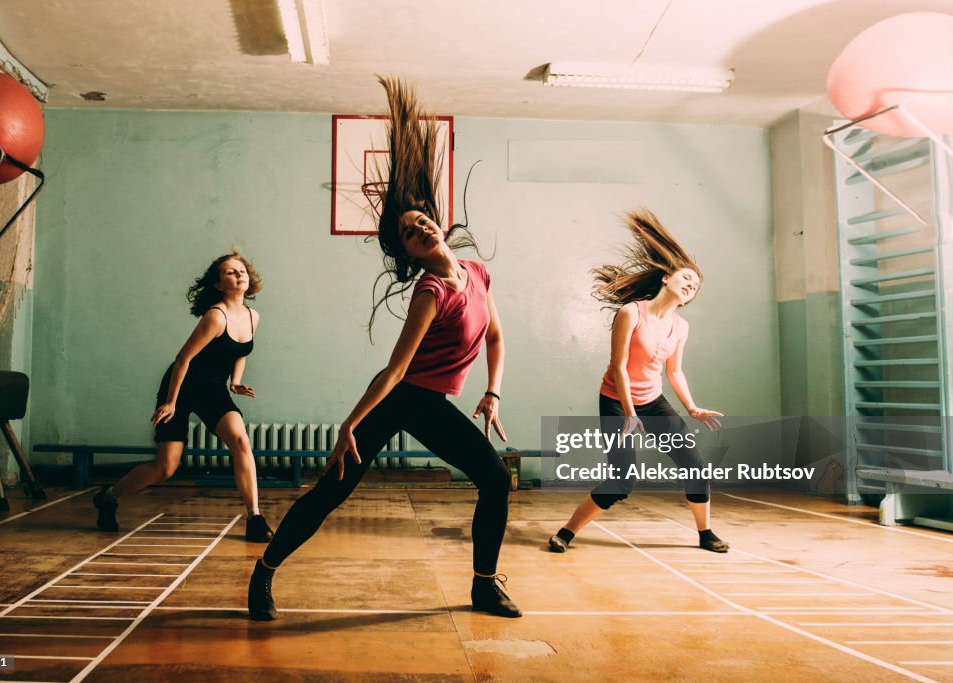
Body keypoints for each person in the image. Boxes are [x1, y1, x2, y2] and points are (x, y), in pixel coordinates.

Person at [247, 77, 520, 621]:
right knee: (332, 493)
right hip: (405, 398)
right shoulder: (430, 291)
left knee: (493, 478)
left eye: (422, 220)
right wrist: (350, 424)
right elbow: (395, 372)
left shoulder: (476, 273)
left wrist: (492, 391)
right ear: (409, 253)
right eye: (410, 232)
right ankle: (265, 572)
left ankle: (484, 586)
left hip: (432, 401)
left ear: (437, 224)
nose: (420, 227)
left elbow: (494, 334)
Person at [548, 209, 729, 554]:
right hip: (617, 400)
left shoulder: (680, 327)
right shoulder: (632, 312)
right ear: (666, 278)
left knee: (695, 466)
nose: (691, 286)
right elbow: (619, 367)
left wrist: (691, 407)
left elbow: (674, 371)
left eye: (695, 287)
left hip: (653, 400)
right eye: (686, 278)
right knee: (621, 480)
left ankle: (706, 533)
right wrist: (630, 414)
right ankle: (567, 532)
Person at [92, 252, 273, 543]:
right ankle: (108, 496)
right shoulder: (215, 316)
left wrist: (235, 382)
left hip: (212, 389)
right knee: (166, 468)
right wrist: (171, 402)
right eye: (230, 272)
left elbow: (241, 351)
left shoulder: (253, 317)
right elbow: (182, 360)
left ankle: (254, 517)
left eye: (241, 270)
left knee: (240, 440)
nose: (239, 275)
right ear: (218, 285)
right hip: (181, 386)